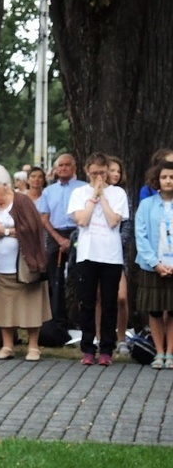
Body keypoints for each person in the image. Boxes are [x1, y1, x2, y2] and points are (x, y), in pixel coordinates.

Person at [0, 165, 51, 361]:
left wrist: (4, 231)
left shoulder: (21, 202)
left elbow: (33, 228)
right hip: (1, 267)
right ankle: (7, 346)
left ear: (4, 185)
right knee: (5, 307)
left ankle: (33, 347)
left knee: (31, 306)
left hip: (25, 266)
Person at [68, 153, 128, 366]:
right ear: (87, 172)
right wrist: (93, 197)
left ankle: (106, 349)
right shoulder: (79, 192)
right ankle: (87, 347)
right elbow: (82, 220)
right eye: (94, 173)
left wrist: (103, 196)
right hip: (87, 253)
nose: (99, 177)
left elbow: (114, 221)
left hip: (110, 255)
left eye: (102, 173)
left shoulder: (118, 193)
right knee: (87, 301)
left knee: (110, 302)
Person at [37, 153, 87, 325]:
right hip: (54, 233)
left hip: (78, 232)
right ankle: (57, 319)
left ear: (74, 168)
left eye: (67, 165)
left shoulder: (83, 188)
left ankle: (79, 318)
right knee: (54, 277)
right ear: (56, 169)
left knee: (78, 276)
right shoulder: (48, 191)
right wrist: (59, 239)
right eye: (61, 165)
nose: (64, 168)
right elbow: (44, 218)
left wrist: (71, 240)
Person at [135, 160, 173, 369]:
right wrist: (155, 264)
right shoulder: (147, 204)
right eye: (164, 177)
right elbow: (140, 237)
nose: (168, 181)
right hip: (152, 266)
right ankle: (159, 352)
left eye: (172, 177)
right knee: (156, 310)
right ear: (157, 180)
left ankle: (171, 353)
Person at [105, 155, 132, 356]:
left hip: (117, 253)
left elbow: (126, 226)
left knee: (121, 297)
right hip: (95, 252)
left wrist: (114, 243)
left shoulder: (123, 195)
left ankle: (121, 338)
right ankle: (99, 336)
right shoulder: (94, 193)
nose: (115, 174)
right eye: (111, 170)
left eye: (118, 171)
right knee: (99, 297)